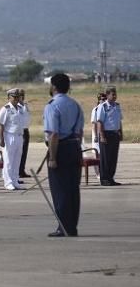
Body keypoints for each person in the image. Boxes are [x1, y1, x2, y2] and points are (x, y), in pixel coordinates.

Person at [43, 73, 84, 237]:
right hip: (74, 147)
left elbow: (54, 134)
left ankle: (64, 227)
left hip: (60, 149)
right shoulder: (75, 104)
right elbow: (79, 132)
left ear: (53, 87)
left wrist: (52, 157)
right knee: (73, 189)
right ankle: (72, 226)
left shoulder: (52, 106)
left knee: (60, 190)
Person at [0, 88, 25, 191]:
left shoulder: (21, 108)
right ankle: (8, 182)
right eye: (14, 97)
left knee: (17, 160)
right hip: (9, 136)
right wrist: (1, 139)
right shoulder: (5, 109)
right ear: (9, 97)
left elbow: (24, 122)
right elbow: (0, 125)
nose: (16, 99)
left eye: (18, 97)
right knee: (9, 160)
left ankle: (15, 180)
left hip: (19, 136)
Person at [96, 86, 122, 186]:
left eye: (115, 94)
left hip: (115, 134)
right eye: (113, 94)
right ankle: (104, 179)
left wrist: (120, 133)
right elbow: (99, 122)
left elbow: (119, 121)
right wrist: (102, 136)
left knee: (113, 158)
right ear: (107, 95)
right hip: (106, 134)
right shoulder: (103, 107)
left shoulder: (117, 106)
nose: (115, 96)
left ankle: (111, 178)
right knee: (105, 158)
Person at [17, 89, 31, 179]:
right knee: (19, 152)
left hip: (26, 130)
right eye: (20, 95)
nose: (22, 96)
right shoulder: (16, 107)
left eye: (23, 94)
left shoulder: (25, 105)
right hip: (20, 130)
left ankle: (22, 170)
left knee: (24, 152)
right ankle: (17, 171)